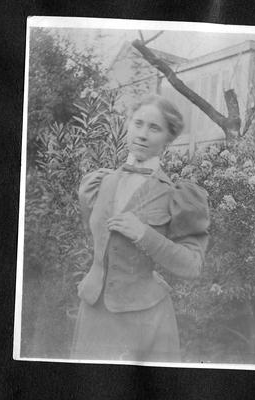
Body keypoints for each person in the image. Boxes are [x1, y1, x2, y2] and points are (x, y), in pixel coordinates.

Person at [71, 95, 210, 361]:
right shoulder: (100, 183)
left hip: (145, 318)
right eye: (138, 124)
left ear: (168, 139)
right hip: (93, 311)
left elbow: (192, 266)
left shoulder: (176, 195)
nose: (143, 134)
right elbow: (102, 242)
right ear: (128, 125)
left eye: (154, 128)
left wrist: (144, 235)